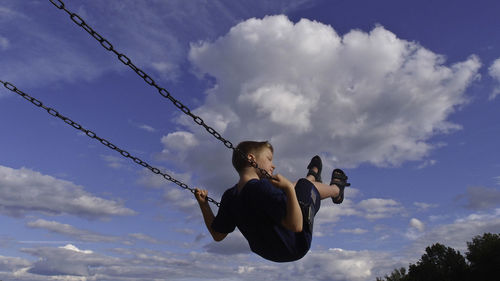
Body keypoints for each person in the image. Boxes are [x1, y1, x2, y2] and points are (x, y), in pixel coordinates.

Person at [194, 141, 350, 262]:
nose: (273, 165)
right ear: (251, 159)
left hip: (267, 252)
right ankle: (336, 189)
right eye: (269, 159)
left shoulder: (229, 196)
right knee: (303, 186)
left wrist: (203, 204)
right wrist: (289, 188)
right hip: (295, 244)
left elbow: (217, 235)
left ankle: (312, 176)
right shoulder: (261, 187)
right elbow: (296, 226)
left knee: (287, 188)